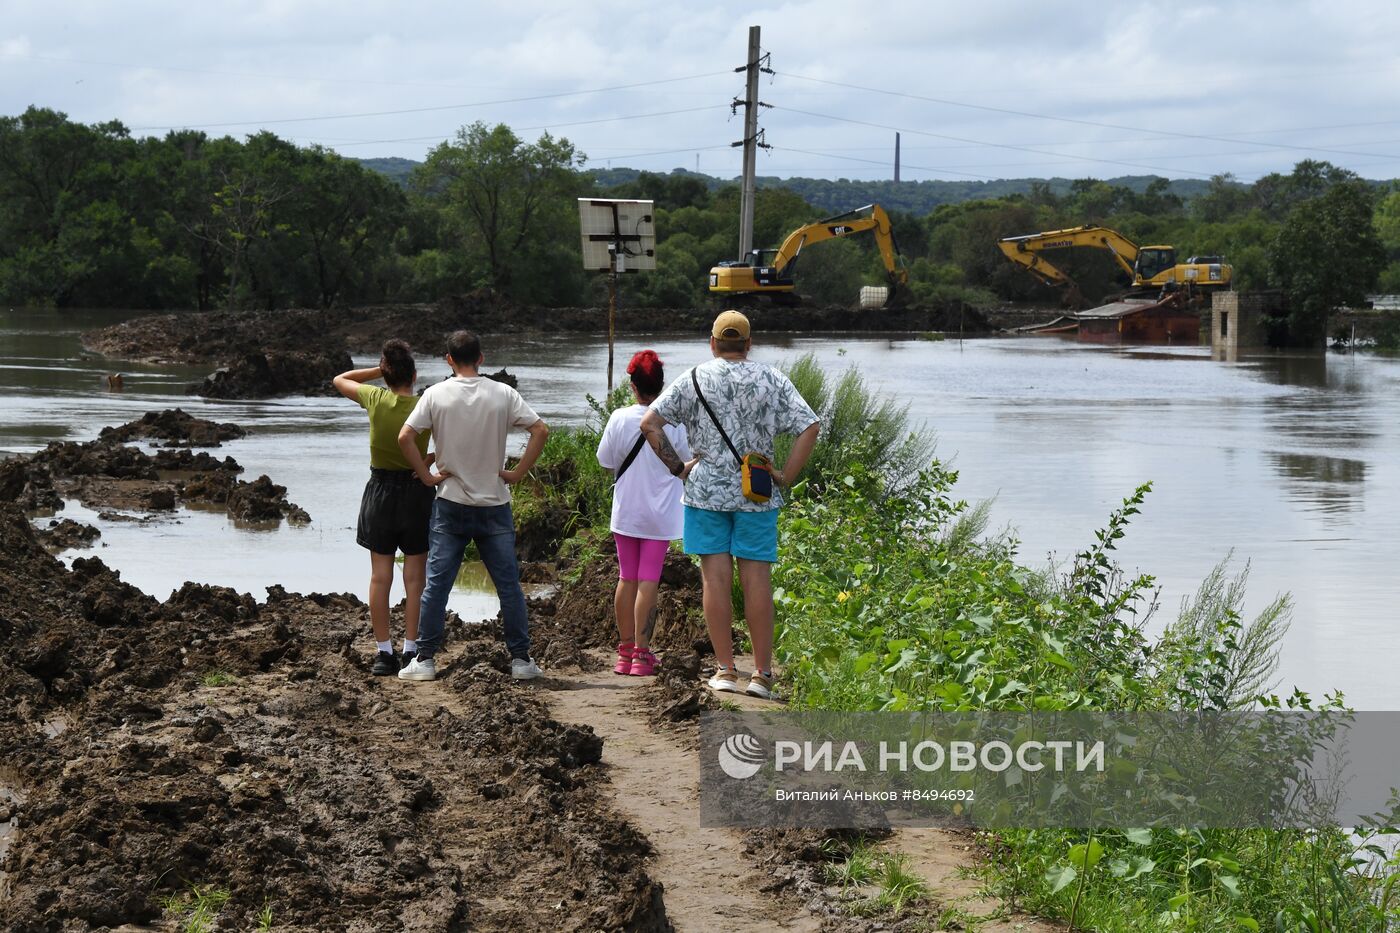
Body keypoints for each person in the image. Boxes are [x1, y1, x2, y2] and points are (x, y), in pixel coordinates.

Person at [641, 310, 820, 699]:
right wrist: (785, 475)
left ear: (712, 343)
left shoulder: (693, 378)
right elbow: (811, 425)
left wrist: (678, 468)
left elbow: (649, 424)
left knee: (715, 579)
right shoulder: (771, 379)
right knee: (757, 580)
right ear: (749, 344)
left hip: (705, 494)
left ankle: (724, 670)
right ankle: (762, 674)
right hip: (756, 492)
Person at [395, 330, 549, 683]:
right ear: (481, 358)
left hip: (450, 502)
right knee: (508, 585)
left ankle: (425, 659)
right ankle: (521, 659)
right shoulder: (503, 393)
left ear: (448, 359)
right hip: (494, 502)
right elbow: (540, 430)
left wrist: (426, 474)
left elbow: (404, 436)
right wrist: (517, 473)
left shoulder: (435, 394)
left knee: (436, 584)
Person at [332, 340, 435, 677]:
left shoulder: (375, 397)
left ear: (386, 375)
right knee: (415, 578)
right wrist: (427, 462)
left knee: (380, 576)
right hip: (416, 492)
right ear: (415, 375)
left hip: (380, 493)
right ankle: (410, 650)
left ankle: (383, 653)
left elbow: (340, 379)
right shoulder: (424, 407)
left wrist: (379, 370)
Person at [595, 350, 693, 677]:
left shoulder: (618, 419)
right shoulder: (673, 422)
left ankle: (623, 654)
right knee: (648, 580)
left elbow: (606, 461)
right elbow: (683, 462)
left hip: (626, 511)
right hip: (660, 515)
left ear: (633, 386)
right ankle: (642, 655)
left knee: (627, 577)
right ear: (662, 385)